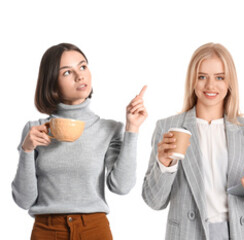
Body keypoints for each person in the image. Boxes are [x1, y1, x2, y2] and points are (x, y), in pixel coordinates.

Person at [142, 43, 244, 240]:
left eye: (219, 77)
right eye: (202, 76)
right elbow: (154, 201)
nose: (210, 86)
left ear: (229, 82)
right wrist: (164, 166)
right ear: (192, 81)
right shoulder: (168, 128)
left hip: (242, 234)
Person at [13, 43, 147, 240]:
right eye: (67, 72)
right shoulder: (35, 130)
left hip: (94, 229)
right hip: (47, 230)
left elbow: (122, 186)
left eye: (82, 67)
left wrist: (132, 128)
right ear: (52, 83)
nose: (80, 76)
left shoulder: (109, 129)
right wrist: (26, 149)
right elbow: (24, 200)